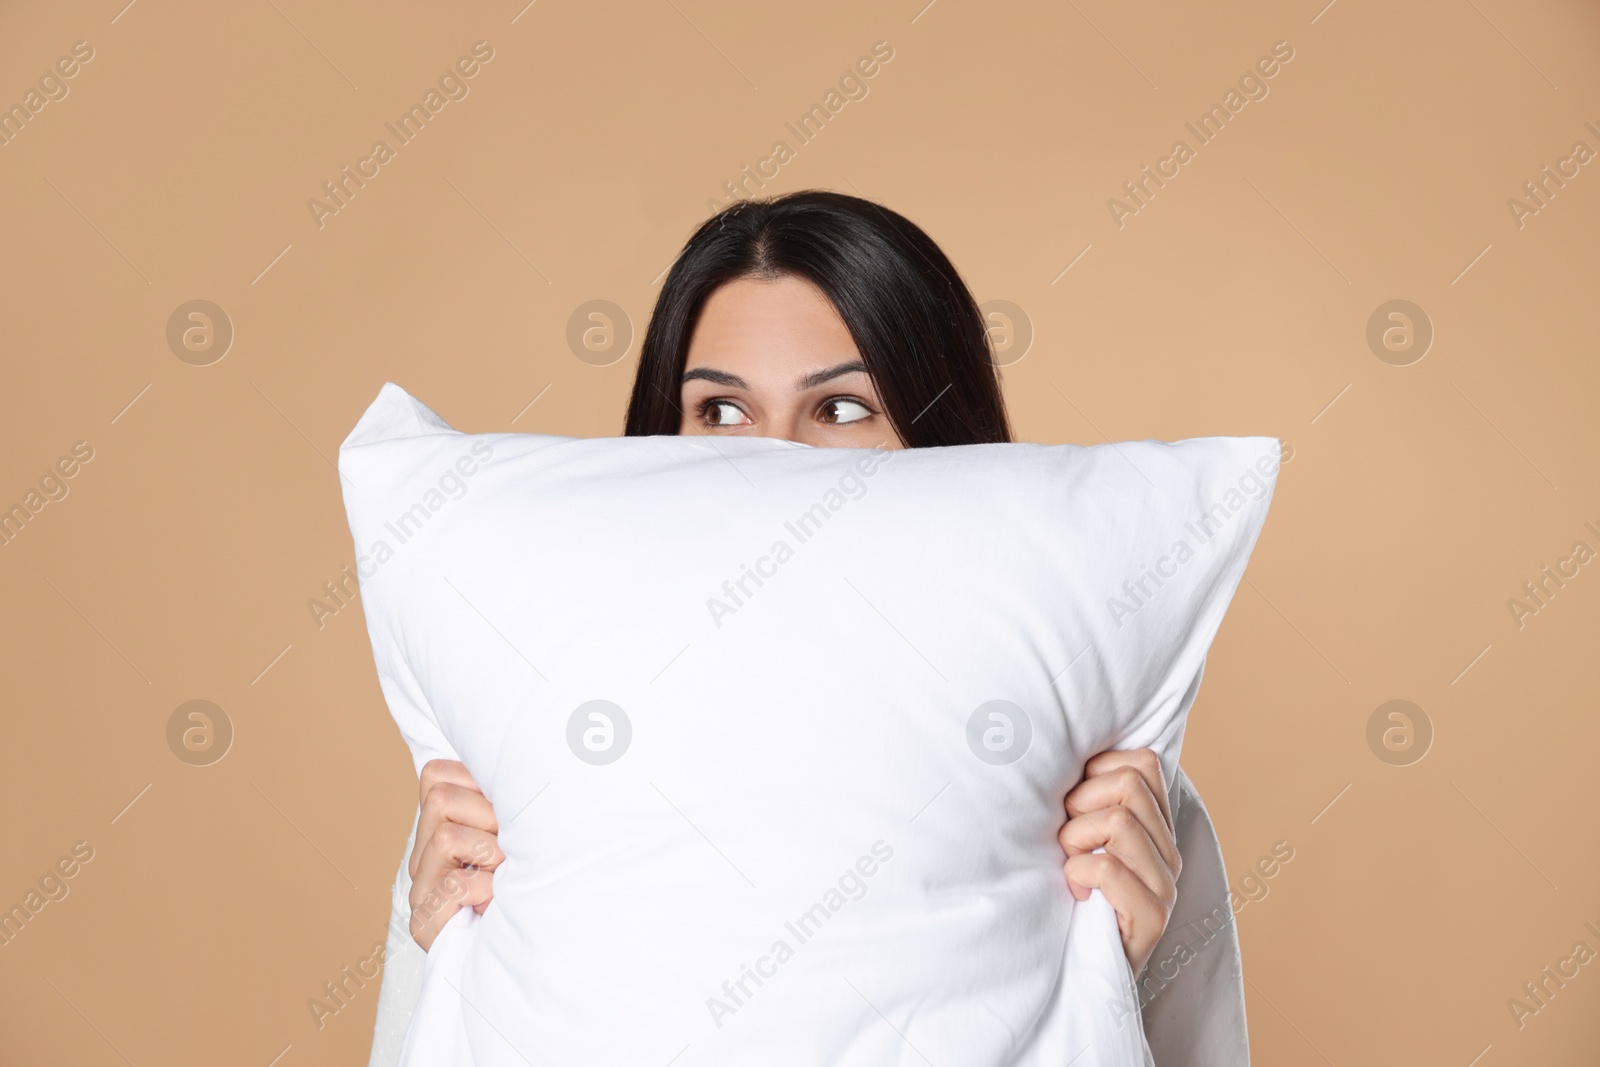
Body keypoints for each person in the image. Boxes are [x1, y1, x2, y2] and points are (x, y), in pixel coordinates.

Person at [367, 191, 1249, 1065]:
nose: (771, 459)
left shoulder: (1117, 801)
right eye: (720, 411)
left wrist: (1109, 966)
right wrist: (436, 945)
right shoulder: (521, 766)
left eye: (840, 410)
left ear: (949, 445)